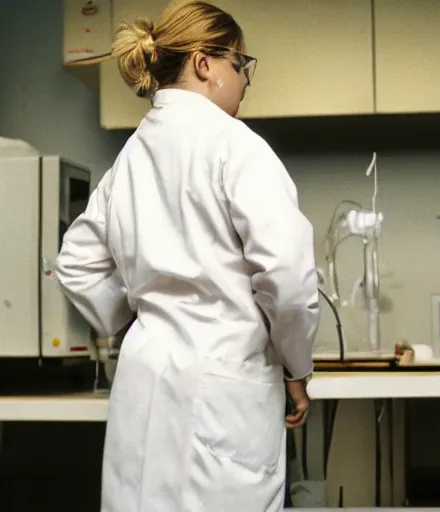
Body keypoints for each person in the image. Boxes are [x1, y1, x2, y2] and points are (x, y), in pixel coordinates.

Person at [54, 1, 320, 510]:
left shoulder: (130, 158)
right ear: (204, 63)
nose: (245, 82)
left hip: (143, 385)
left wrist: (139, 311)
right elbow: (286, 277)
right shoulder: (236, 146)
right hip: (223, 387)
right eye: (241, 66)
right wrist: (296, 368)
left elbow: (76, 264)